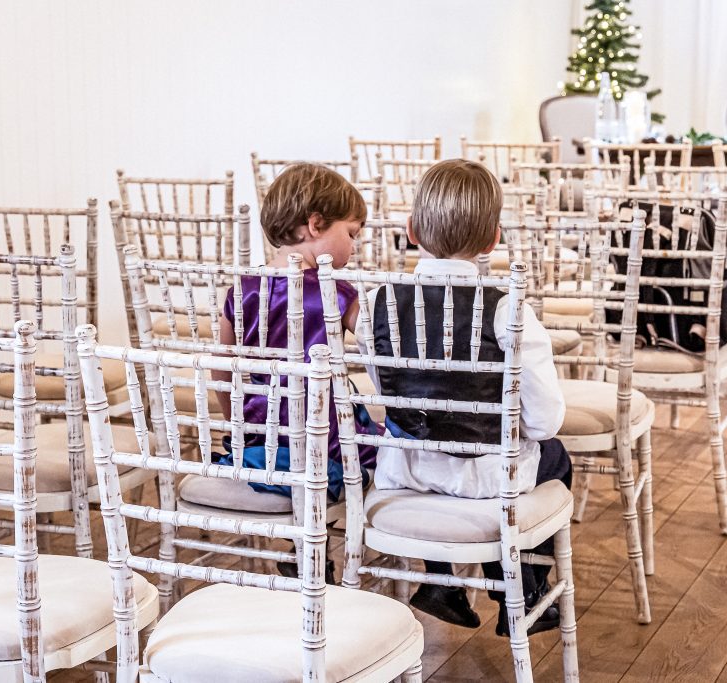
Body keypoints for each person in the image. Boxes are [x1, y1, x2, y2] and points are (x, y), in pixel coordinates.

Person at [362, 159, 571, 635]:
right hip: (484, 476)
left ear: (412, 229)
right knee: (556, 457)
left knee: (443, 453)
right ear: (493, 239)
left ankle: (440, 579)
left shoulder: (377, 304)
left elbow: (386, 389)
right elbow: (544, 422)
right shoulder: (507, 308)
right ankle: (521, 591)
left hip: (405, 469)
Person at [212, 163, 381, 579]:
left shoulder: (241, 290)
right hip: (324, 439)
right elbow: (380, 355)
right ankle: (328, 544)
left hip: (262, 431)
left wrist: (237, 424)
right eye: (352, 234)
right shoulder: (339, 294)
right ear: (315, 224)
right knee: (383, 444)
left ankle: (303, 548)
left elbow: (222, 372)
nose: (354, 247)